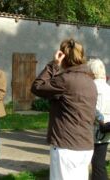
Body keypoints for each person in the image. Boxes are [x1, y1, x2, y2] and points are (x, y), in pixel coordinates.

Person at [31, 38, 97, 180]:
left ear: (64, 57)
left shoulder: (66, 79)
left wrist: (53, 65)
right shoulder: (90, 81)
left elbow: (37, 86)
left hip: (67, 146)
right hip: (85, 145)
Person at [87, 58, 110, 180]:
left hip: (95, 130)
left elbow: (95, 111)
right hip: (106, 130)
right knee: (98, 163)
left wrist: (100, 119)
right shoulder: (108, 88)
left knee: (97, 165)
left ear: (92, 72)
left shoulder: (93, 87)